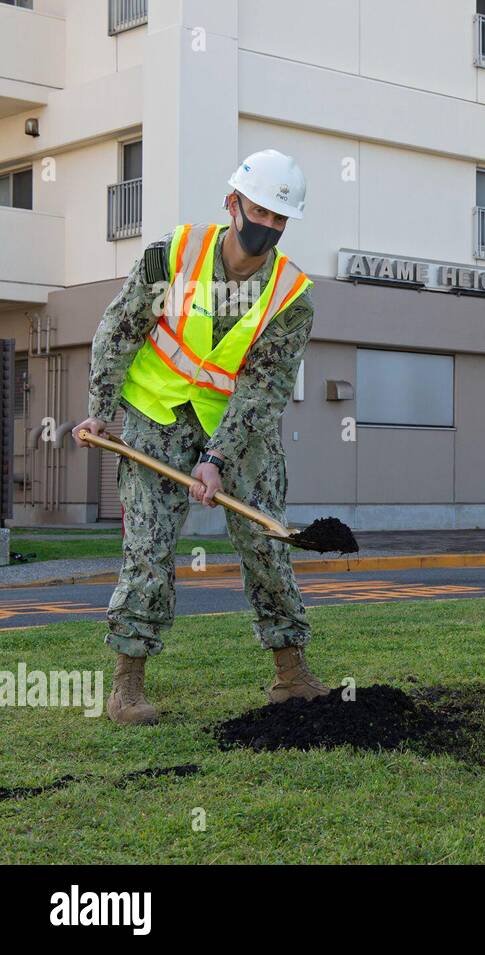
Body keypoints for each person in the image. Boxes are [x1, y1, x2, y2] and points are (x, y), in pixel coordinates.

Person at [74, 149, 329, 725]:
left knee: (266, 541)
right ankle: (127, 686)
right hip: (155, 414)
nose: (267, 226)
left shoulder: (291, 297)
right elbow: (119, 328)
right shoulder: (174, 255)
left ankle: (291, 675)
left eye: (280, 219)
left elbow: (262, 390)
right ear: (232, 203)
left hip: (234, 426)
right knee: (148, 547)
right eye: (259, 210)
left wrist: (216, 458)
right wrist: (99, 410)